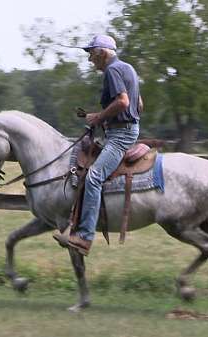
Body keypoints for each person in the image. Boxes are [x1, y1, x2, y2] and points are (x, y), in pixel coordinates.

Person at [68, 34, 143, 256]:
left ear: (102, 52)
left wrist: (99, 118)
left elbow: (123, 102)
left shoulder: (112, 70)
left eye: (91, 53)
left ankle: (84, 236)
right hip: (123, 130)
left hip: (120, 135)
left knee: (93, 177)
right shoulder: (128, 68)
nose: (90, 60)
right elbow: (139, 104)